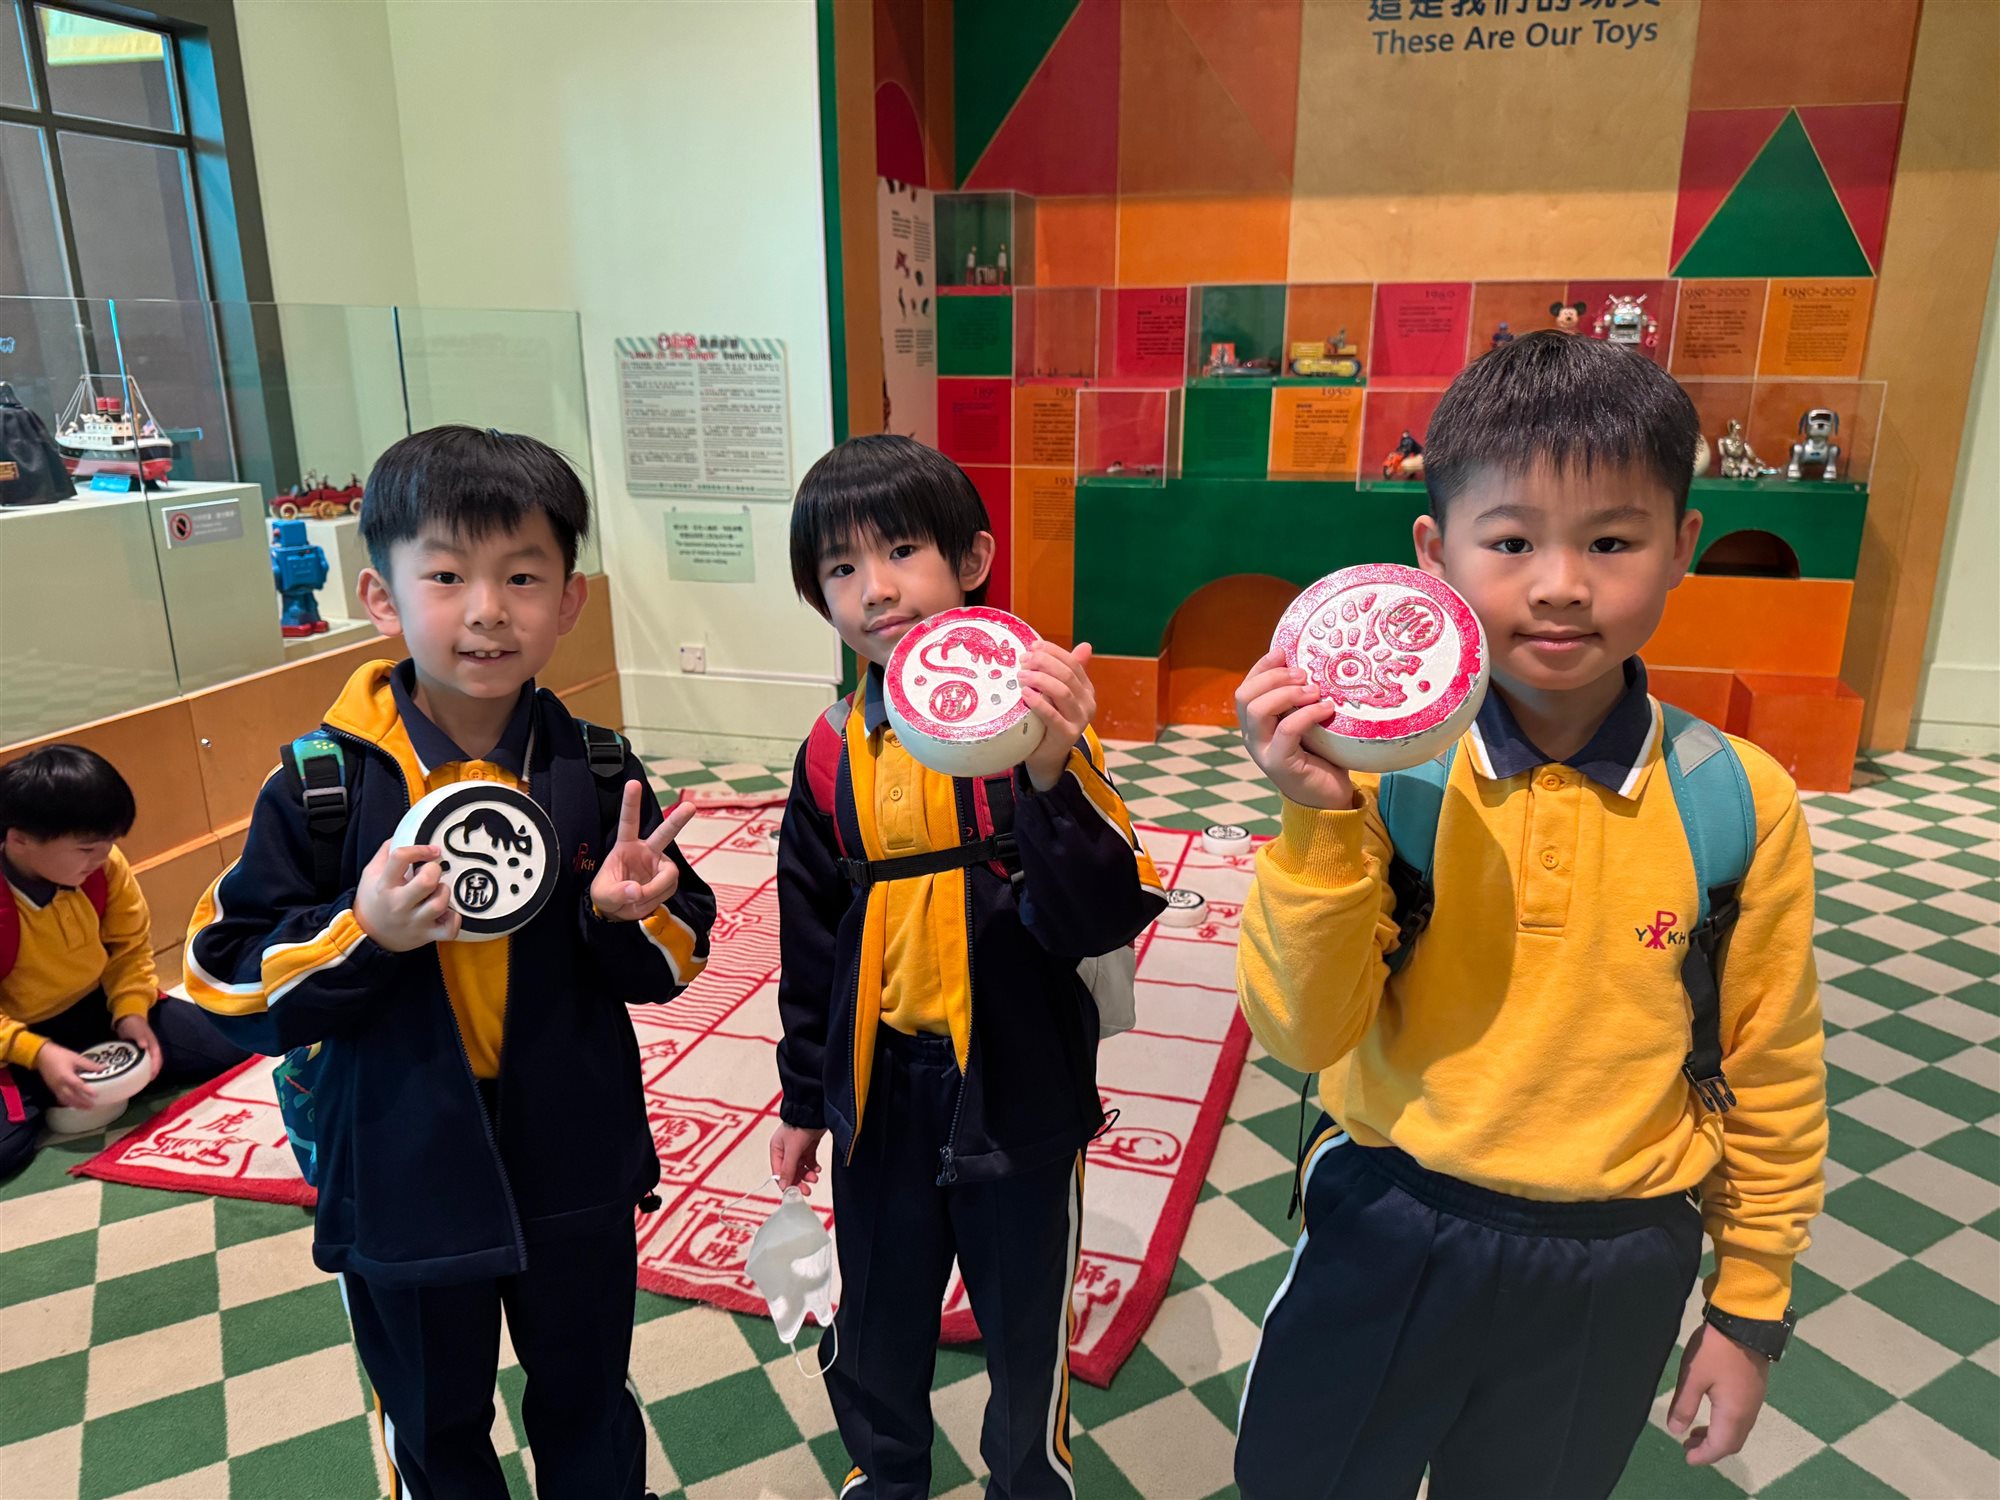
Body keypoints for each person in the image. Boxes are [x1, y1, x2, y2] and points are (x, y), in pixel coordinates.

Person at [1232, 332, 1825, 1499]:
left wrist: (1748, 1306)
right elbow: (1299, 1032)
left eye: (1610, 541)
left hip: (1618, 1256)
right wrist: (1314, 823)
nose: (1559, 584)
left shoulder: (1735, 801)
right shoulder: (1381, 783)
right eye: (1509, 542)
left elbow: (1771, 1063)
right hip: (1391, 1214)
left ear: (1681, 547)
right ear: (1432, 554)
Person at [184, 427, 716, 1500]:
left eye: (523, 576)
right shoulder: (323, 785)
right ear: (380, 597)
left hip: (574, 1155)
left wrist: (627, 914)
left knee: (587, 1399)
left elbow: (682, 951)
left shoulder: (594, 768)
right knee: (434, 1422)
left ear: (569, 601)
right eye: (445, 576)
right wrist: (362, 929)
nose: (487, 610)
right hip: (403, 1164)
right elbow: (221, 979)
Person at [771, 435, 1167, 1499]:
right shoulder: (828, 751)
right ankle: (887, 1477)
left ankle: (1028, 1484)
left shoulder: (1036, 728)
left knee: (1026, 1330)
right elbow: (810, 940)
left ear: (973, 560)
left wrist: (1049, 771)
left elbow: (1100, 913)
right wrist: (803, 1097)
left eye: (902, 551)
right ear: (818, 596)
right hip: (880, 1092)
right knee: (875, 1320)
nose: (876, 588)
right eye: (842, 567)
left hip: (1017, 1086)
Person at [0, 745, 246, 1173]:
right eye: (86, 849)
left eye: (110, 843)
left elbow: (129, 948)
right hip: (15, 1031)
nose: (103, 857)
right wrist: (37, 1053)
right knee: (5, 1153)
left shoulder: (103, 866)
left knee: (233, 1043)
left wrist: (131, 1012)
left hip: (95, 1004)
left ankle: (65, 1079)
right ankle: (44, 1080)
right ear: (19, 839)